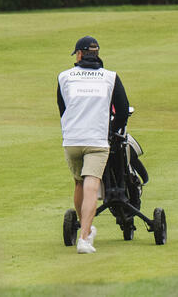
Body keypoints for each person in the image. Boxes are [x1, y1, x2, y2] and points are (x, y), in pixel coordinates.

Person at [57, 36, 129, 254]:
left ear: (79, 54)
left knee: (79, 184)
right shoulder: (110, 77)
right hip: (97, 140)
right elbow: (123, 110)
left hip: (72, 140)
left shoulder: (64, 77)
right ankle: (84, 238)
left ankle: (86, 227)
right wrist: (111, 131)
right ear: (96, 53)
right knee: (91, 187)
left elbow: (63, 109)